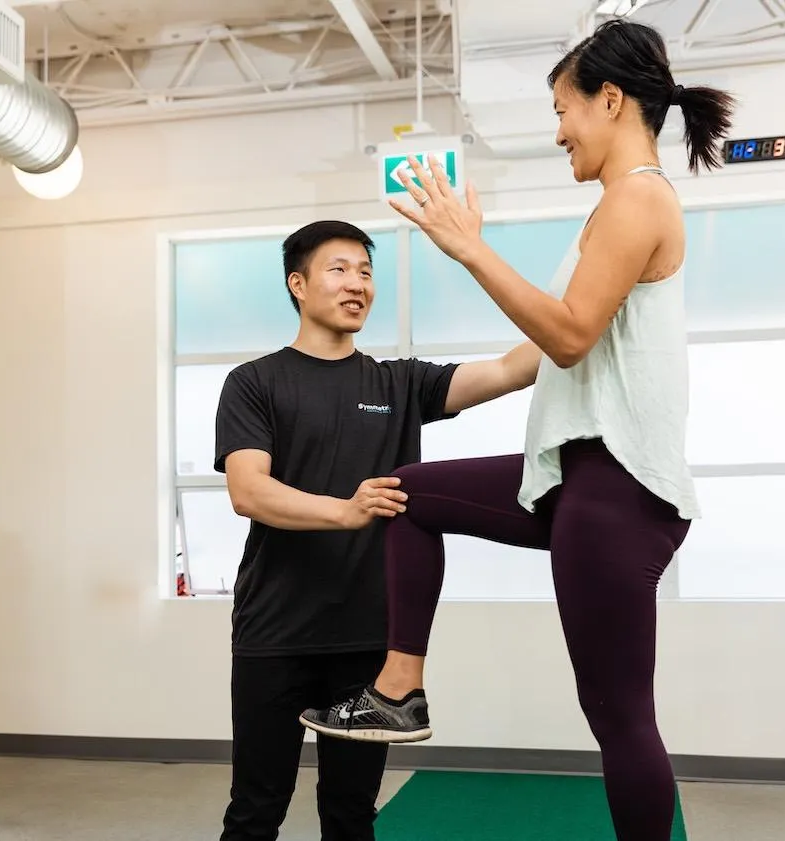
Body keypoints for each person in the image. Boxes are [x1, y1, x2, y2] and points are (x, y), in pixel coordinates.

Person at [299, 19, 736, 841]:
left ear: (611, 101)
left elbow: (568, 333)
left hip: (617, 488)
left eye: (564, 110)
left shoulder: (638, 195)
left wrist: (472, 250)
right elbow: (541, 351)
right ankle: (398, 690)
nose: (559, 130)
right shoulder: (615, 207)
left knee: (618, 715)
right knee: (409, 493)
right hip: (572, 477)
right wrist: (449, 378)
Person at [214, 219, 543, 841]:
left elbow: (508, 369)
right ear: (298, 284)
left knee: (351, 811)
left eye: (366, 272)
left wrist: (594, 303)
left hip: (369, 639)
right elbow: (247, 490)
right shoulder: (254, 382)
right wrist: (346, 509)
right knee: (256, 808)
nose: (357, 284)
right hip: (274, 631)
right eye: (338, 269)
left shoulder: (400, 383)